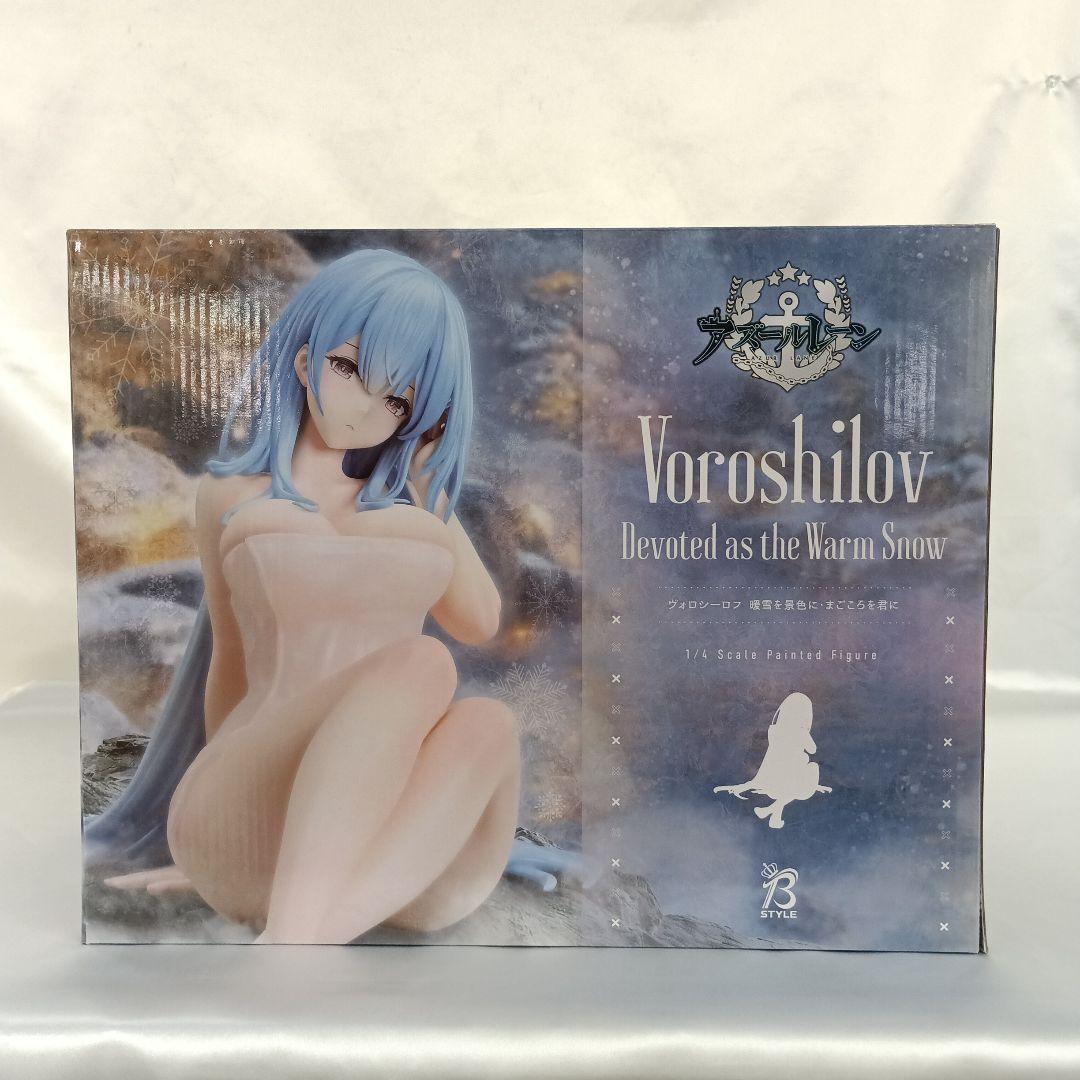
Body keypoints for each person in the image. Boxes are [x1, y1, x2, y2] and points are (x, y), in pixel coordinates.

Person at [86, 248, 582, 943]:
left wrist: (424, 486)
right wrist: (199, 842)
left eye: (398, 400)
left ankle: (300, 939)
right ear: (304, 360)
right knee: (423, 663)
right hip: (251, 804)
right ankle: (296, 935)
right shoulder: (231, 493)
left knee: (490, 723)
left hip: (388, 844)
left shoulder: (413, 508)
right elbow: (227, 659)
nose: (364, 408)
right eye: (348, 368)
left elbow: (481, 622)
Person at [712, 691, 831, 829]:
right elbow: (812, 749)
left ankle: (771, 813)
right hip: (790, 778)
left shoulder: (775, 730)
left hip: (778, 779)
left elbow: (770, 757)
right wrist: (804, 732)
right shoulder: (800, 731)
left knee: (791, 787)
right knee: (812, 768)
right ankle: (769, 810)